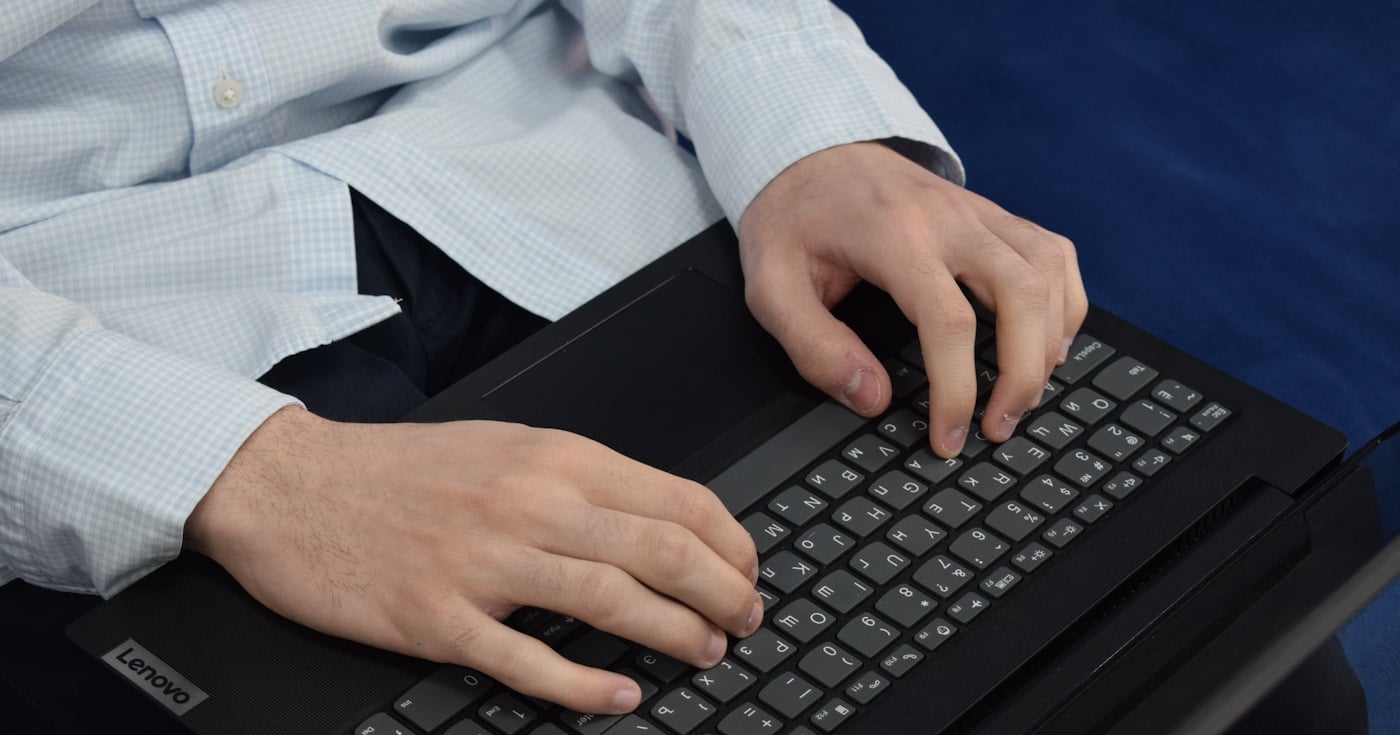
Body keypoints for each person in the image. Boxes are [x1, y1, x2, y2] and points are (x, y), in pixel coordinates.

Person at [0, 0, 1237, 731]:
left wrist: (806, 130)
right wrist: (258, 477)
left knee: (1205, 618)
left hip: (538, 147)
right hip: (99, 324)